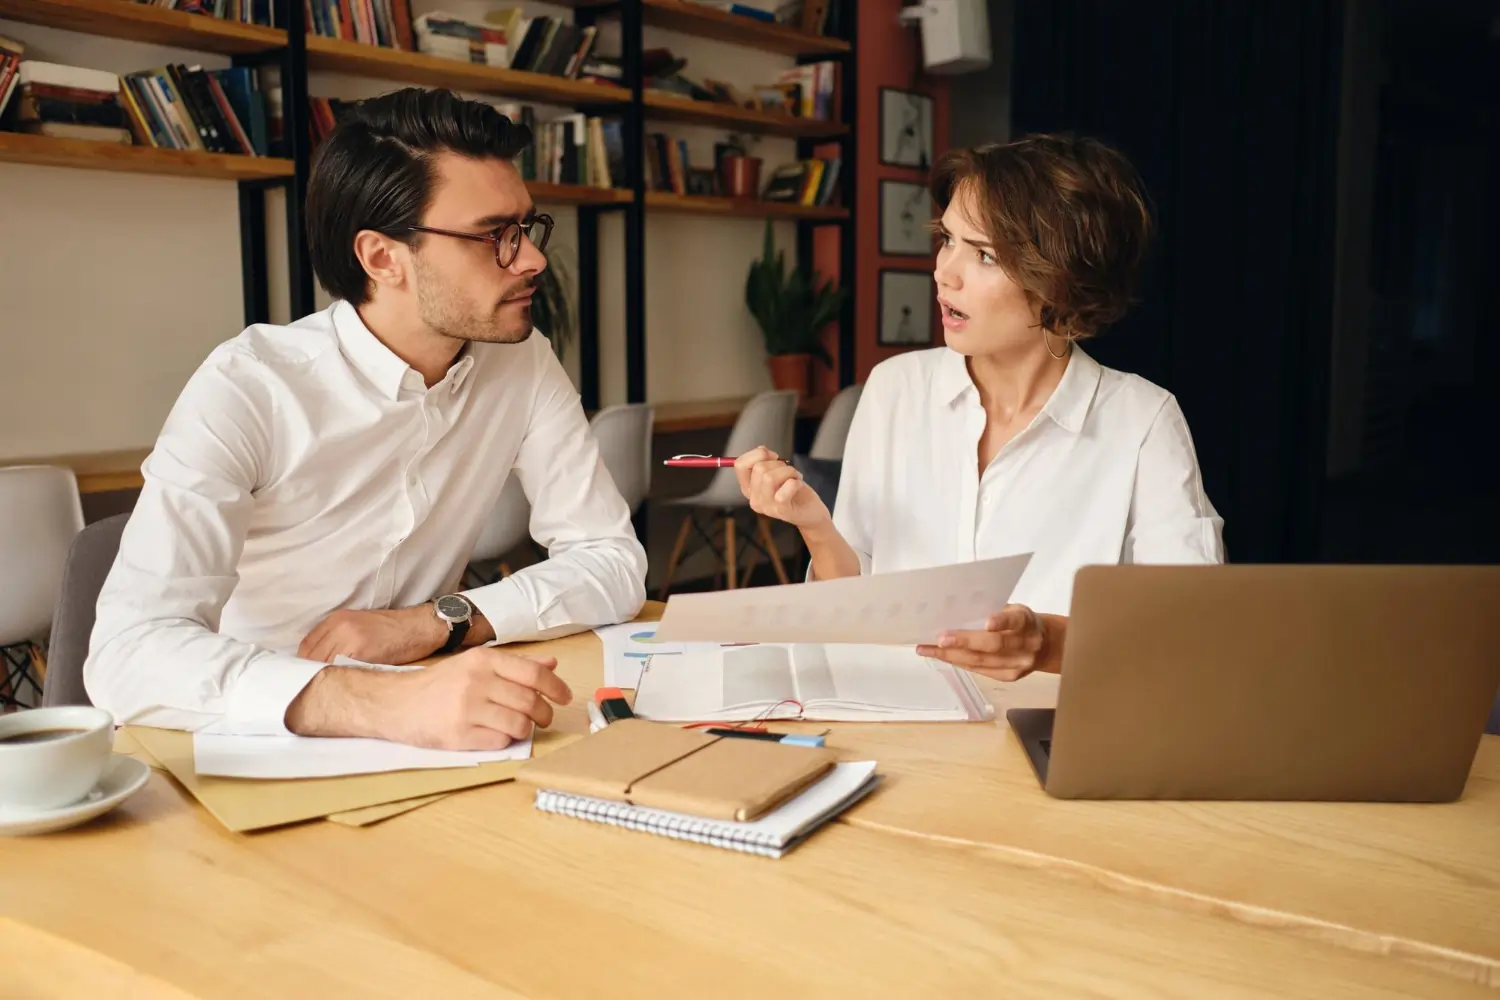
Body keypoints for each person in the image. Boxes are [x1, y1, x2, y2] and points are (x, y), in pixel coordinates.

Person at [84, 88, 647, 749]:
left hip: (431, 718)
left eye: (525, 228)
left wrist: (437, 622)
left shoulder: (520, 362)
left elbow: (611, 559)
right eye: (493, 235)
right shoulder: (251, 386)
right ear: (382, 257)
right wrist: (374, 700)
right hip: (242, 733)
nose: (531, 260)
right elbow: (128, 653)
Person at [736, 133, 1224, 683]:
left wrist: (1047, 643)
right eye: (948, 239)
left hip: (1052, 742)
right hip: (900, 725)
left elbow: (1191, 630)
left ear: (1060, 280)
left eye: (984, 254)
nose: (945, 271)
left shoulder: (1142, 420)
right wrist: (815, 526)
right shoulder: (894, 389)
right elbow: (852, 613)